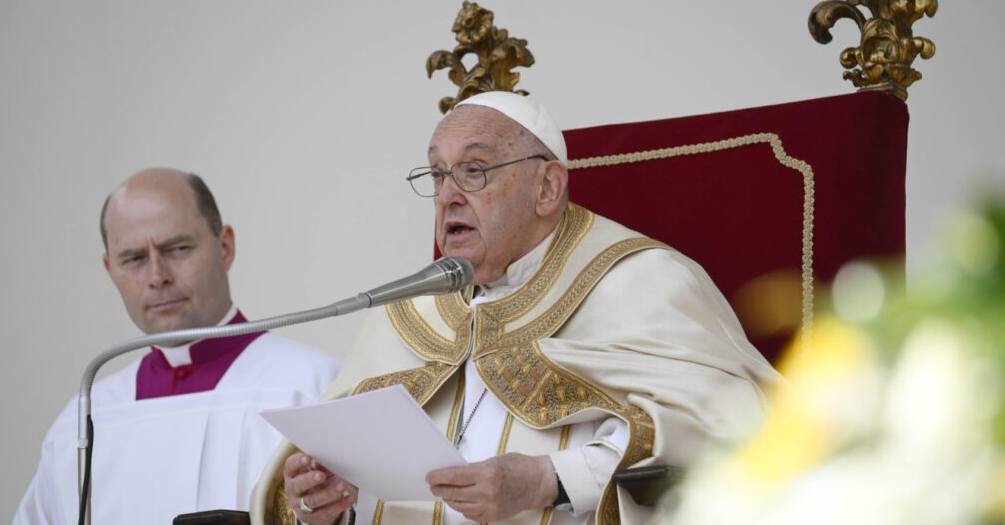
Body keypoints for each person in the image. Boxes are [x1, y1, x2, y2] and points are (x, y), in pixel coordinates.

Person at [250, 92, 779, 525]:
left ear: (547, 187)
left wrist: (546, 479)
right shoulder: (405, 309)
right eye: (437, 175)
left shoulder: (640, 281)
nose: (448, 196)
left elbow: (732, 430)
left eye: (474, 170)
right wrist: (319, 506)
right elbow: (342, 473)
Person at [14, 168, 341, 525]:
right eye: (134, 258)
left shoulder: (315, 387)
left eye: (178, 248)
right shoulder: (82, 421)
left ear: (225, 247)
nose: (157, 277)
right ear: (110, 270)